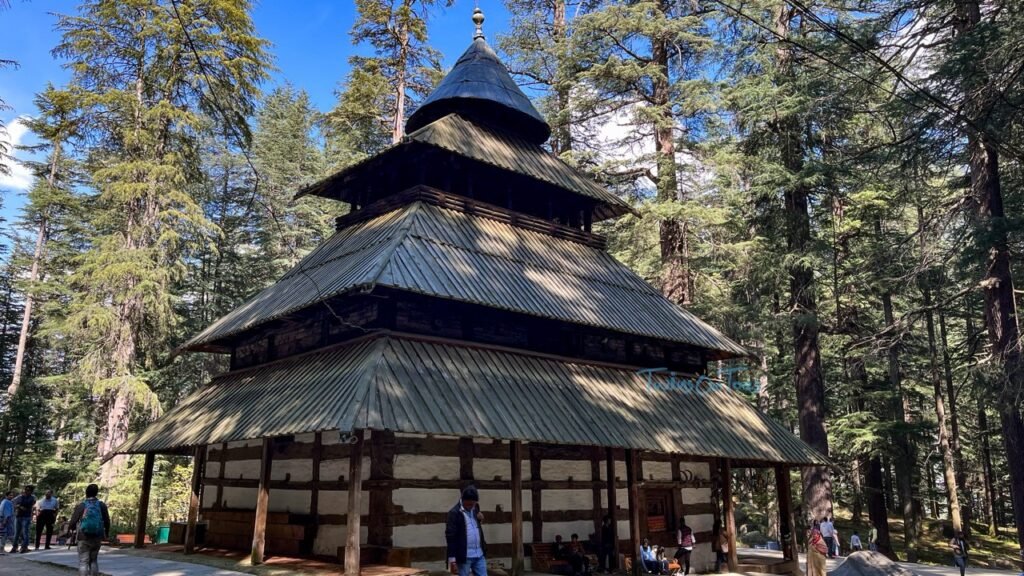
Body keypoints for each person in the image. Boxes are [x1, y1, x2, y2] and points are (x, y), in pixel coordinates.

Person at [69, 484, 110, 576]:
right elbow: (107, 521)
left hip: (83, 536)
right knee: (93, 560)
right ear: (96, 493)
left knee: (83, 561)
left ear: (86, 493)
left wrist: (70, 530)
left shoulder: (82, 505)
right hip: (97, 536)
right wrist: (106, 533)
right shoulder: (102, 505)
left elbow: (73, 521)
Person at [446, 486, 487, 576]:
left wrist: (480, 520)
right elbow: (450, 536)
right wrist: (452, 560)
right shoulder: (454, 513)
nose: (470, 506)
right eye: (468, 504)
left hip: (479, 554)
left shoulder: (475, 508)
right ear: (462, 499)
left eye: (473, 504)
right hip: (464, 556)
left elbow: (475, 527)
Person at [12, 485, 36, 553]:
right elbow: (13, 502)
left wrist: (20, 506)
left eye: (28, 490)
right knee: (17, 532)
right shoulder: (20, 497)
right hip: (19, 516)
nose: (26, 491)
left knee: (25, 532)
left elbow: (31, 503)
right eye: (26, 490)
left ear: (31, 491)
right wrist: (19, 506)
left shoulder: (33, 497)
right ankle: (14, 547)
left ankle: (24, 547)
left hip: (26, 516)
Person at [0, 490, 15, 554]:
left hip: (4, 519)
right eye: (10, 495)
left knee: (6, 535)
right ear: (6, 496)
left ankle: (14, 547)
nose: (11, 496)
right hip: (7, 520)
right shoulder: (8, 502)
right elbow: (7, 513)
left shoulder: (3, 501)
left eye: (12, 495)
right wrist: (4, 521)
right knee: (5, 535)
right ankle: (1, 549)